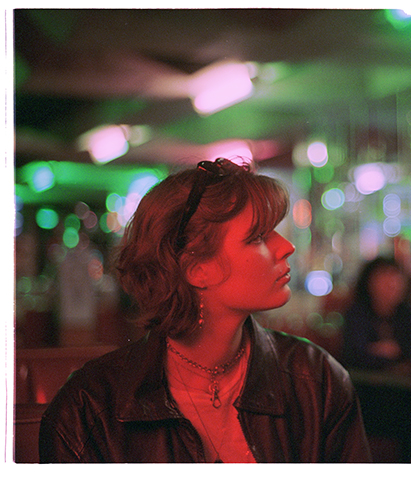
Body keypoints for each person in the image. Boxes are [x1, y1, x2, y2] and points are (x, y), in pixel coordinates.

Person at [39, 158, 371, 463]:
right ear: (196, 269)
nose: (287, 247)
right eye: (258, 237)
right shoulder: (89, 408)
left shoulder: (316, 380)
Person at [342, 256, 411, 371]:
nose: (392, 284)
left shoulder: (407, 314)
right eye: (385, 279)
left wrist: (388, 350)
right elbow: (354, 355)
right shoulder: (357, 314)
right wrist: (394, 354)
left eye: (396, 279)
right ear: (369, 282)